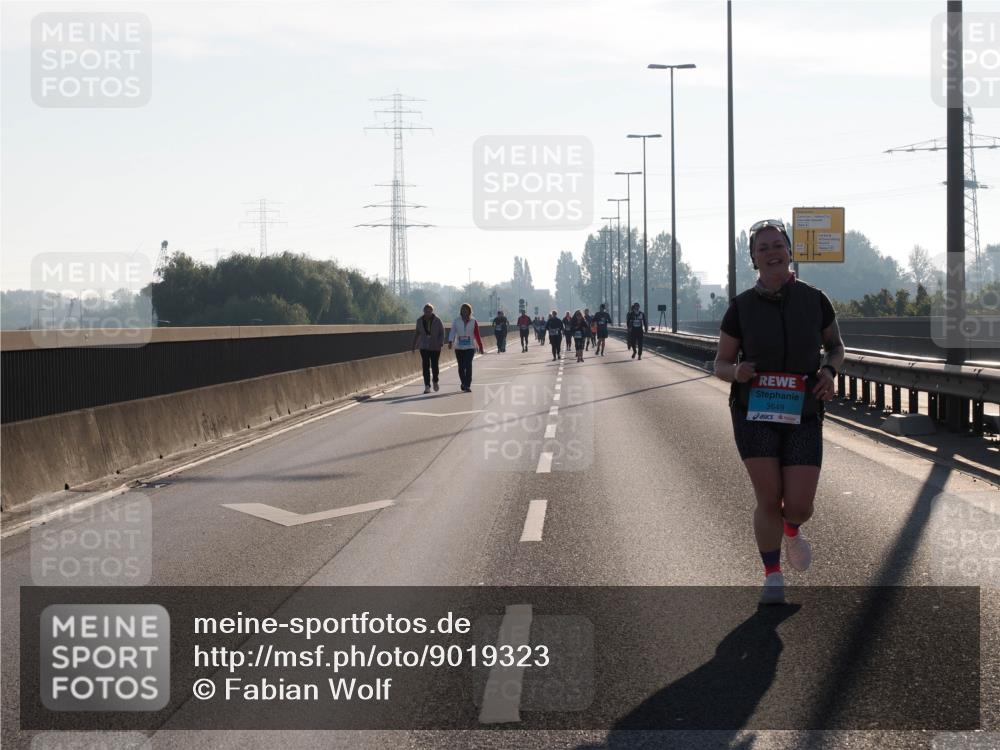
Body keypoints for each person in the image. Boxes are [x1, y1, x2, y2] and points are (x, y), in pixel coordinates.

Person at [713, 219, 845, 605]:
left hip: (803, 411)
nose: (771, 252)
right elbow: (719, 364)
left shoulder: (814, 299)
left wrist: (830, 371)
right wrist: (736, 372)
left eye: (777, 245)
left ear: (790, 252)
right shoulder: (741, 307)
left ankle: (792, 530)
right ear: (753, 259)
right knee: (768, 497)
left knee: (800, 505)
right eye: (763, 248)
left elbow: (836, 346)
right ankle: (772, 574)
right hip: (755, 414)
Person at [449, 303, 485, 391]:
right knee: (461, 366)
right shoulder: (456, 320)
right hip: (459, 347)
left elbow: (477, 334)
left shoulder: (473, 321)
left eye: (466, 309)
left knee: (468, 365)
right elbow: (452, 331)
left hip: (470, 347)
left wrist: (480, 346)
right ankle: (463, 382)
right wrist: (450, 341)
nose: (465, 311)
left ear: (470, 311)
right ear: (461, 311)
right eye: (463, 309)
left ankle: (467, 384)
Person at [411, 303, 445, 394]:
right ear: (424, 311)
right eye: (426, 311)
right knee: (425, 366)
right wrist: (414, 345)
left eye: (429, 311)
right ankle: (427, 386)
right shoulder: (419, 321)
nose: (428, 313)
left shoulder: (437, 320)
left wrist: (440, 342)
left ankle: (435, 380)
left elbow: (442, 332)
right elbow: (417, 333)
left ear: (432, 311)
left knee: (434, 366)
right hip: (424, 346)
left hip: (435, 346)